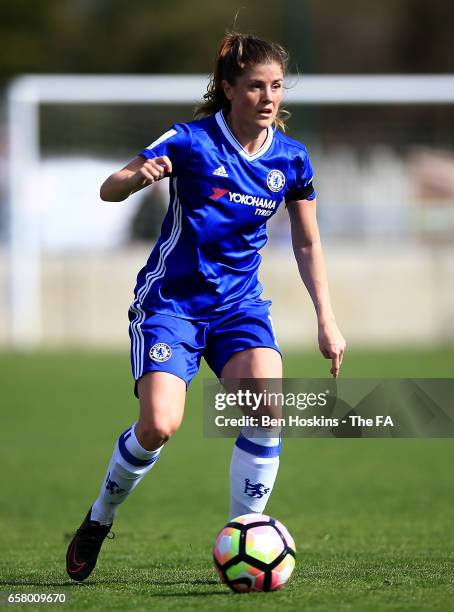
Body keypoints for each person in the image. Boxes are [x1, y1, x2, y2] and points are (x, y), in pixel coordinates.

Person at [66, 31, 346, 582]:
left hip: (239, 308)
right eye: (255, 86)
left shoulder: (291, 159)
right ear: (228, 88)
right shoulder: (192, 140)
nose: (269, 97)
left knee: (267, 405)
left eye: (276, 87)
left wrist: (326, 319)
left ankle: (244, 534)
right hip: (171, 303)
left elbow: (308, 242)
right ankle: (100, 518)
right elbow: (109, 187)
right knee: (160, 425)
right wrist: (135, 177)